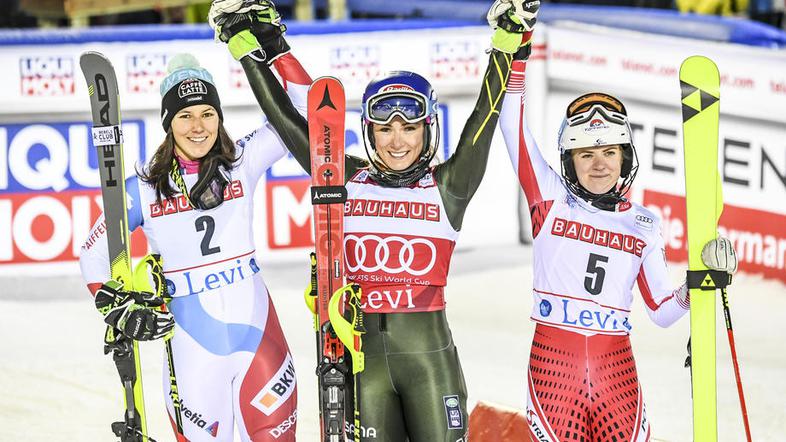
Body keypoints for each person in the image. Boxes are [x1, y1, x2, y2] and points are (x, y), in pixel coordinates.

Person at [208, 0, 539, 439]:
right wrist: (245, 46)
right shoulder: (344, 177)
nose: (397, 141)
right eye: (385, 129)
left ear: (427, 128)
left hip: (429, 365)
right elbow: (288, 120)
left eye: (409, 127)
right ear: (369, 130)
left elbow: (485, 114)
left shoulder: (449, 185)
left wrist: (505, 43)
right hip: (363, 367)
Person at [498, 58, 739, 440]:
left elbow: (662, 311)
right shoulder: (549, 197)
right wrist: (518, 56)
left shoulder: (644, 224)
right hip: (553, 369)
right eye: (586, 154)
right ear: (569, 161)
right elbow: (512, 125)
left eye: (609, 153)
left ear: (624, 158)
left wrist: (699, 283)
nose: (599, 165)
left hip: (616, 373)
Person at [78, 52, 310, 441]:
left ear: (219, 117)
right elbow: (94, 252)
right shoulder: (144, 189)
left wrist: (275, 49)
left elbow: (308, 111)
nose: (198, 126)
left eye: (207, 113)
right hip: (193, 356)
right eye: (185, 115)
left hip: (260, 344)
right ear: (168, 123)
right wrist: (116, 307)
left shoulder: (242, 161)